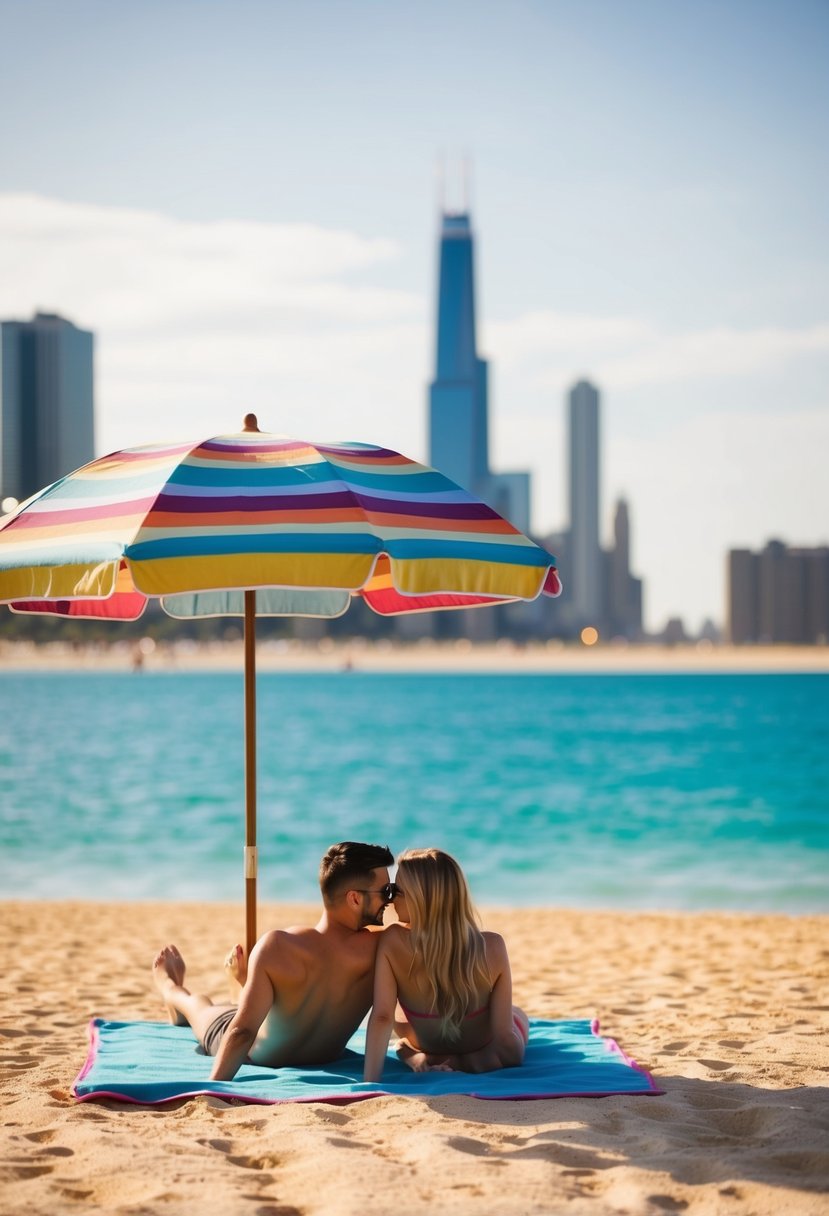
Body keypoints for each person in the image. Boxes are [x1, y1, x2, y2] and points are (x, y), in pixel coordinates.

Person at [152, 841, 394, 1081]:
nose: (390, 900)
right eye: (386, 892)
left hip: (268, 1048)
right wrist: (214, 1086)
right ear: (354, 899)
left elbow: (244, 1029)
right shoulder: (383, 948)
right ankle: (170, 988)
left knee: (241, 1008)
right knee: (200, 1008)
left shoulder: (278, 947)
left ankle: (242, 984)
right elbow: (239, 1032)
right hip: (250, 1053)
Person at [363, 848, 529, 1082]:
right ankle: (462, 1062)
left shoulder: (392, 941)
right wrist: (485, 1059)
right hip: (479, 1045)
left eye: (396, 891)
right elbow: (504, 1041)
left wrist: (370, 1082)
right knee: (517, 1016)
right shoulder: (492, 946)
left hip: (425, 1043)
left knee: (403, 1026)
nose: (389, 900)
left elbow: (382, 1016)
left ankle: (415, 1057)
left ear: (423, 898)